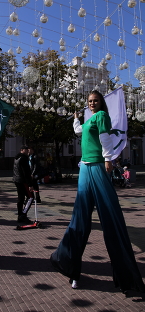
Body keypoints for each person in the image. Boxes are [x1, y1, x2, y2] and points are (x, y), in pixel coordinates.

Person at [50, 90, 145, 294]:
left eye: (95, 101)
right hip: (85, 167)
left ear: (101, 103)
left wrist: (108, 159)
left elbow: (105, 138)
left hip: (97, 167)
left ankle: (125, 275)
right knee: (80, 218)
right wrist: (76, 120)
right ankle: (72, 269)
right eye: (90, 102)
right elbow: (79, 132)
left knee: (110, 217)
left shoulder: (101, 116)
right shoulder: (90, 119)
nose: (92, 104)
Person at [13, 146, 34, 223]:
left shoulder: (16, 158)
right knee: (31, 197)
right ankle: (23, 215)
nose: (28, 150)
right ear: (21, 150)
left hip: (17, 179)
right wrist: (30, 184)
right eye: (26, 149)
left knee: (21, 198)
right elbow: (26, 173)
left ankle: (19, 215)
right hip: (23, 181)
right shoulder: (23, 158)